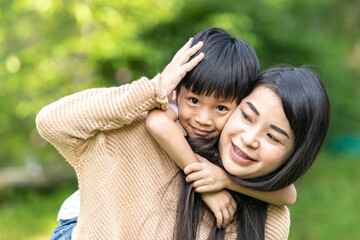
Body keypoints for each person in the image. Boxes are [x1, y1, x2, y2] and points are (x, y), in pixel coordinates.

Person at [36, 29, 305, 239]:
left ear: (238, 104)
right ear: (178, 91)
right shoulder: (164, 113)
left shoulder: (240, 169)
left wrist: (223, 180)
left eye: (221, 108)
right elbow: (52, 120)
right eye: (194, 101)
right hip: (75, 224)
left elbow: (287, 194)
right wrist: (156, 87)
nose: (203, 118)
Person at [173, 66, 330, 239]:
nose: (249, 140)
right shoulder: (168, 138)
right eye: (246, 116)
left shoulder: (273, 221)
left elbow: (289, 195)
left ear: (294, 156)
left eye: (272, 136)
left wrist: (225, 181)